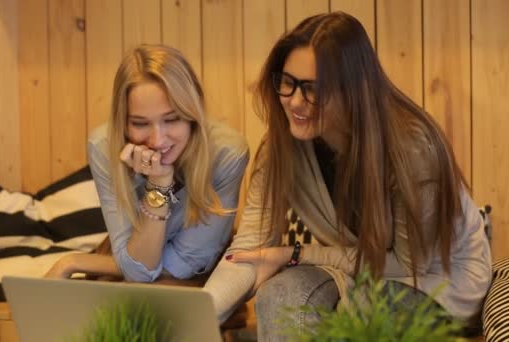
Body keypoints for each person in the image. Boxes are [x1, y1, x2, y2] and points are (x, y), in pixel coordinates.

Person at [203, 12, 492, 340]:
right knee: (278, 296)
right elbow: (249, 250)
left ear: (353, 90)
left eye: (313, 89)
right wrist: (190, 319)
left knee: (364, 308)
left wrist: (296, 254)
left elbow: (406, 266)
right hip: (347, 272)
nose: (295, 102)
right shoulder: (281, 148)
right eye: (288, 82)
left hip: (435, 281)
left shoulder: (413, 149)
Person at [45, 44, 249, 284]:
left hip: (194, 268)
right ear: (123, 122)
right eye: (140, 123)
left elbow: (180, 266)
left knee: (151, 296)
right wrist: (160, 182)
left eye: (172, 119)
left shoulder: (227, 153)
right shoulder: (103, 145)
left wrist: (74, 262)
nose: (157, 140)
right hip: (133, 251)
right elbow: (138, 268)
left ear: (193, 113)